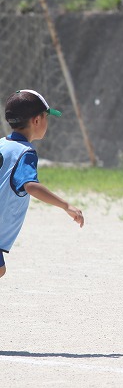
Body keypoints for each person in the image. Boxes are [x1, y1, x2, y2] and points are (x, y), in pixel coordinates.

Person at [1, 90, 85, 279]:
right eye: (46, 117)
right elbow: (30, 185)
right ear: (36, 121)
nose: (47, 122)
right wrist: (66, 205)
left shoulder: (2, 145)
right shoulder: (25, 152)